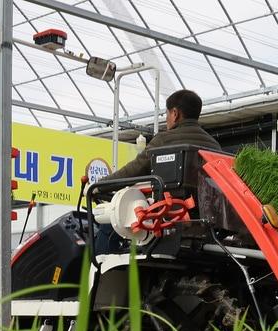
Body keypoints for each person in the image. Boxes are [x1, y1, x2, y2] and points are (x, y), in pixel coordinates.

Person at [93, 89, 218, 254]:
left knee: (111, 223)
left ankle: (98, 271)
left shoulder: (164, 140)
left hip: (165, 218)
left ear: (175, 113)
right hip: (204, 221)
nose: (166, 119)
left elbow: (134, 170)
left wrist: (100, 186)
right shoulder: (214, 146)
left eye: (166, 114)